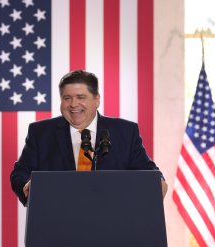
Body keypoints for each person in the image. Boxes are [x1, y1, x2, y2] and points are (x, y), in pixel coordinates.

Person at [10, 70, 167, 205]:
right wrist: (27, 185)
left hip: (113, 226)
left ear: (96, 100)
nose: (73, 104)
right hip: (57, 226)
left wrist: (158, 181)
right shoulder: (41, 132)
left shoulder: (125, 132)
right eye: (67, 98)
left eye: (81, 97)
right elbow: (20, 173)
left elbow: (147, 170)